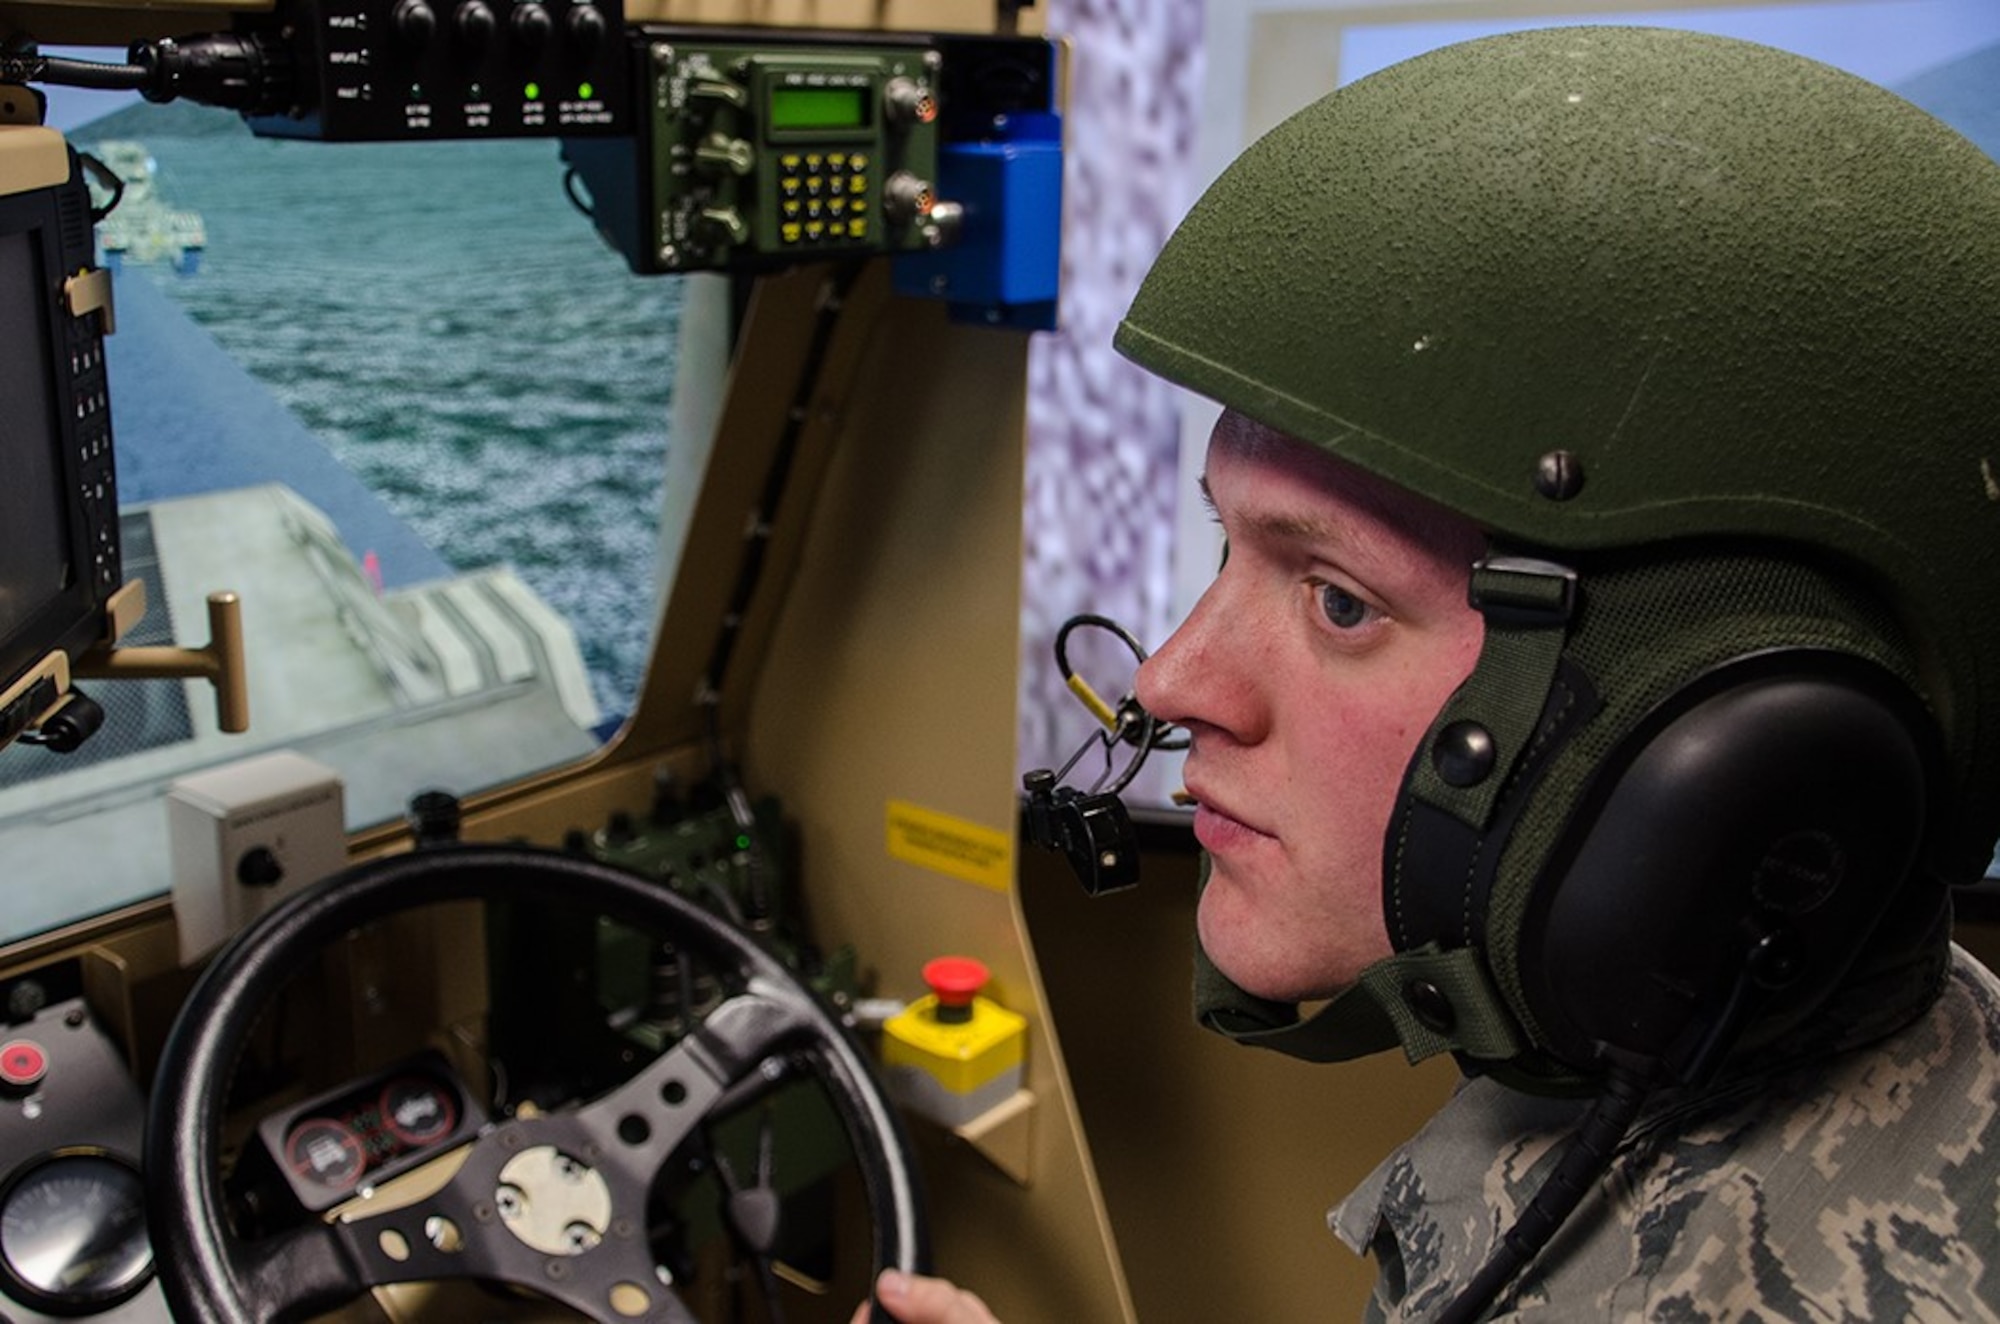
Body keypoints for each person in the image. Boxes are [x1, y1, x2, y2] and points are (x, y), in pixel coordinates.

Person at [857, 23, 2000, 1322]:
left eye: (1339, 600)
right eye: (1228, 542)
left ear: (1739, 768)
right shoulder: (1900, 1031)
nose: (1171, 683)